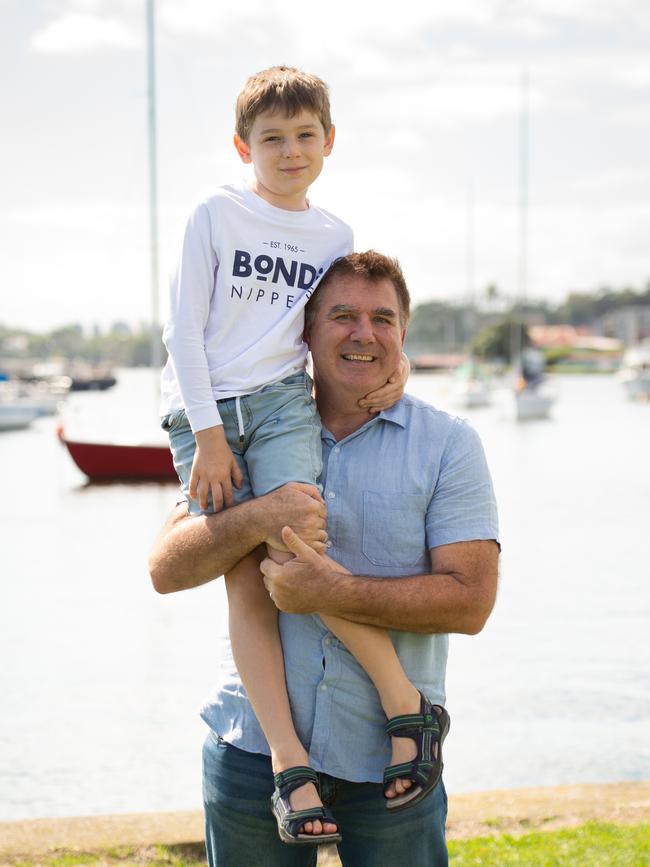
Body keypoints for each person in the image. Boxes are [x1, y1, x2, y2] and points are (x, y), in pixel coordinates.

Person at [150, 251, 500, 866]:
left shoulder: (448, 445)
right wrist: (259, 516)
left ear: (403, 332)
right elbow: (167, 569)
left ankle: (410, 713)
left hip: (391, 757)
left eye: (383, 319)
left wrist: (325, 592)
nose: (364, 333)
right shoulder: (257, 428)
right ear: (304, 331)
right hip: (253, 752)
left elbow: (470, 604)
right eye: (342, 316)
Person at [158, 66, 430, 844]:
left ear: (329, 142)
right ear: (243, 146)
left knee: (299, 551)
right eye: (272, 138)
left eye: (305, 135)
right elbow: (182, 332)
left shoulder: (332, 235)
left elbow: (341, 323)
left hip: (279, 403)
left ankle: (404, 701)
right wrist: (209, 436)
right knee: (245, 576)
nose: (289, 150)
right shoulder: (216, 211)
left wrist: (398, 367)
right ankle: (289, 762)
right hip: (205, 410)